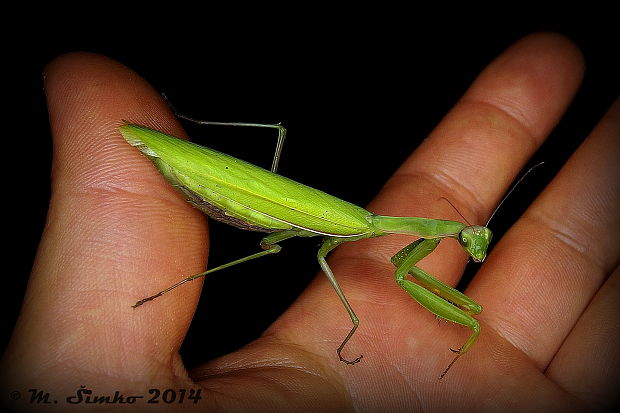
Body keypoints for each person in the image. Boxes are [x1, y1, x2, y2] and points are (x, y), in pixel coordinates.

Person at [2, 32, 618, 412]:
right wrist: (353, 321)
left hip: (283, 215)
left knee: (286, 236)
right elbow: (382, 269)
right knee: (285, 184)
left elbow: (402, 274)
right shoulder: (367, 230)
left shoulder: (376, 233)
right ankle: (180, 247)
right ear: (456, 233)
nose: (473, 247)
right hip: (247, 196)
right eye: (473, 238)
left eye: (474, 239)